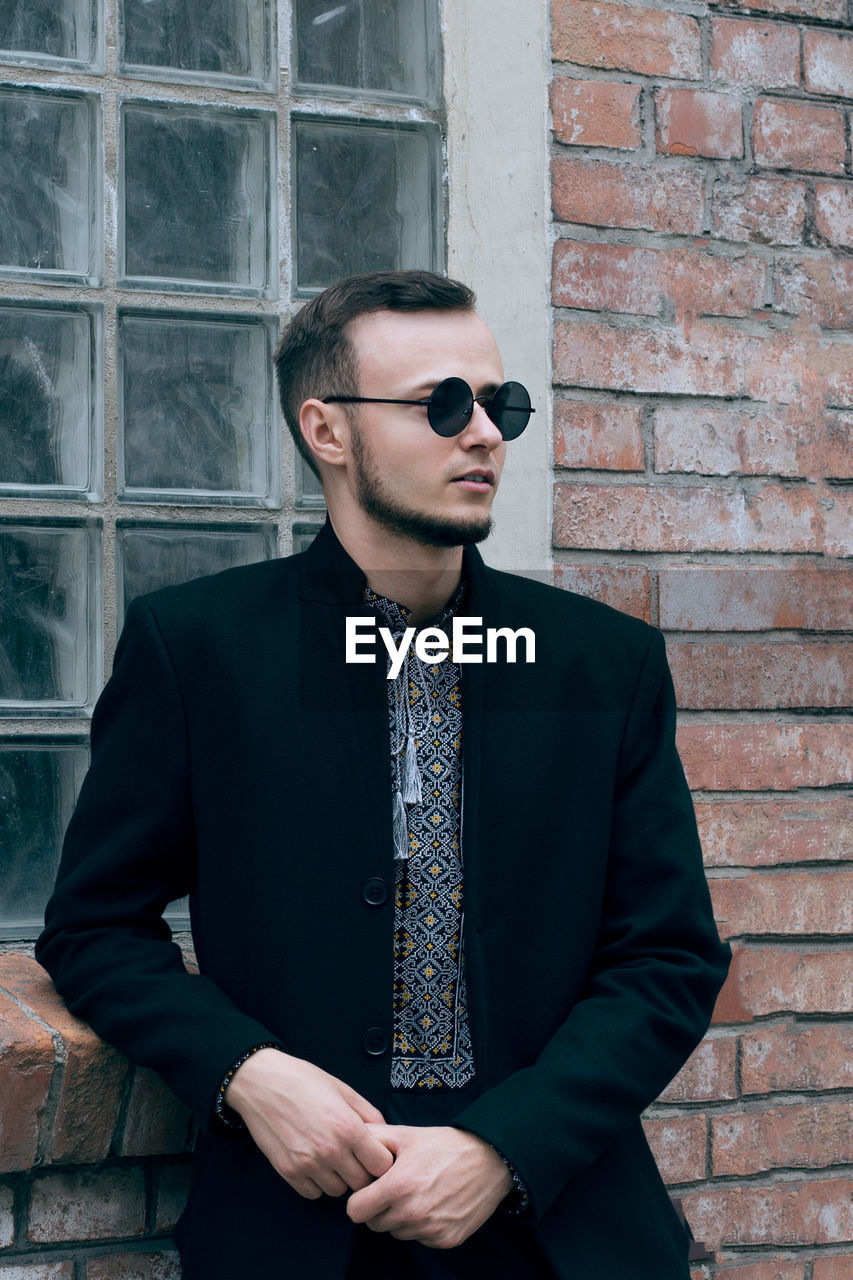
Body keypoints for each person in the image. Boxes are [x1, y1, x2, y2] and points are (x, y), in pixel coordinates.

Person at [37, 269, 731, 1279]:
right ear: (326, 429)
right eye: (442, 404)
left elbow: (666, 959)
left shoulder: (601, 662)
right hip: (300, 1235)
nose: (483, 432)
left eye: (499, 404)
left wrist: (505, 1146)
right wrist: (247, 1072)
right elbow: (95, 924)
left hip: (562, 1234)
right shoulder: (198, 651)